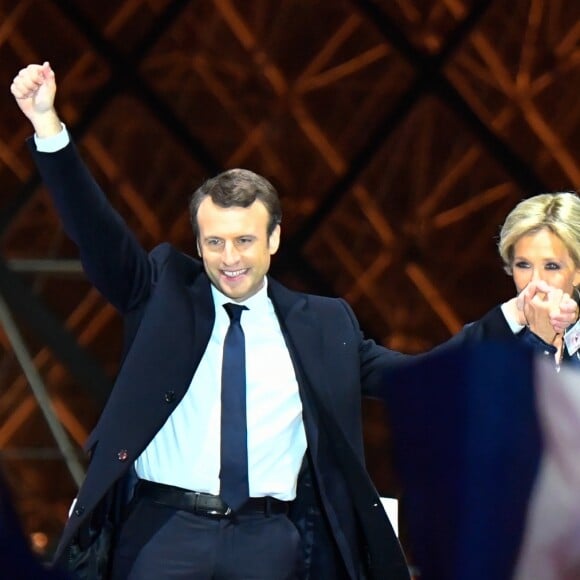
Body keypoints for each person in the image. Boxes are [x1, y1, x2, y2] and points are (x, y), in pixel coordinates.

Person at [10, 62, 577, 580]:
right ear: (198, 243)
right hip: (162, 533)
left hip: (271, 543)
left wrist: (514, 316)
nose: (230, 257)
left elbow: (424, 375)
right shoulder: (161, 291)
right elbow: (95, 233)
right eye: (215, 242)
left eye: (244, 241)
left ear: (274, 239)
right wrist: (48, 127)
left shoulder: (323, 325)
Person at [466, 192, 580, 369]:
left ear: (577, 273)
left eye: (551, 266)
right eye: (523, 265)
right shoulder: (481, 341)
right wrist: (539, 339)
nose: (536, 281)